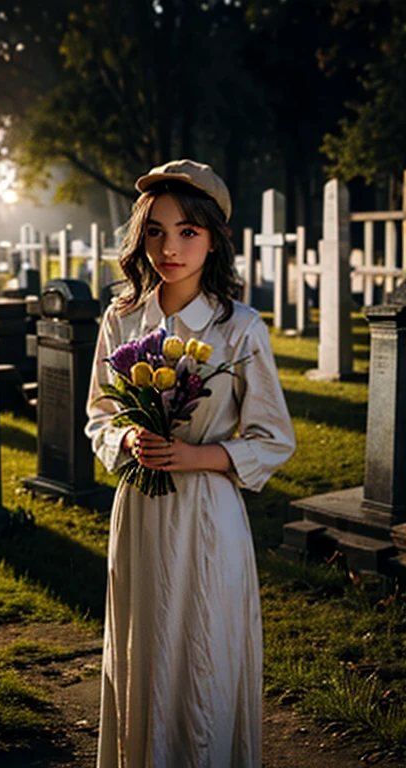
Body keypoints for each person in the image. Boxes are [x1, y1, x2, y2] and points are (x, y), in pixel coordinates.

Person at [85, 159, 296, 767]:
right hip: (141, 517)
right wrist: (127, 441)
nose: (169, 247)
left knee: (202, 650)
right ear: (139, 237)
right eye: (155, 231)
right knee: (142, 647)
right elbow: (99, 414)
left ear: (213, 238)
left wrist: (198, 454)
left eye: (187, 232)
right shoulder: (120, 319)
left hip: (209, 515)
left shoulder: (240, 329)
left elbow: (273, 437)